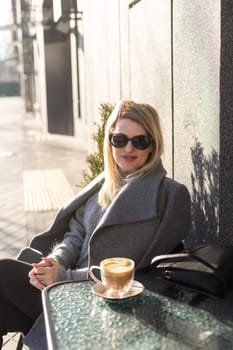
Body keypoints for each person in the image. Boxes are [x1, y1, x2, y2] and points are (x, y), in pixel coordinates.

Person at [0, 100, 191, 348]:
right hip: (67, 285)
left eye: (140, 141)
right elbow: (74, 235)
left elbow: (141, 265)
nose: (128, 148)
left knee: (3, 274)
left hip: (104, 300)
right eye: (120, 139)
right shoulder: (104, 183)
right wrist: (55, 262)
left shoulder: (170, 194)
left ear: (152, 146)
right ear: (110, 141)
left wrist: (64, 277)